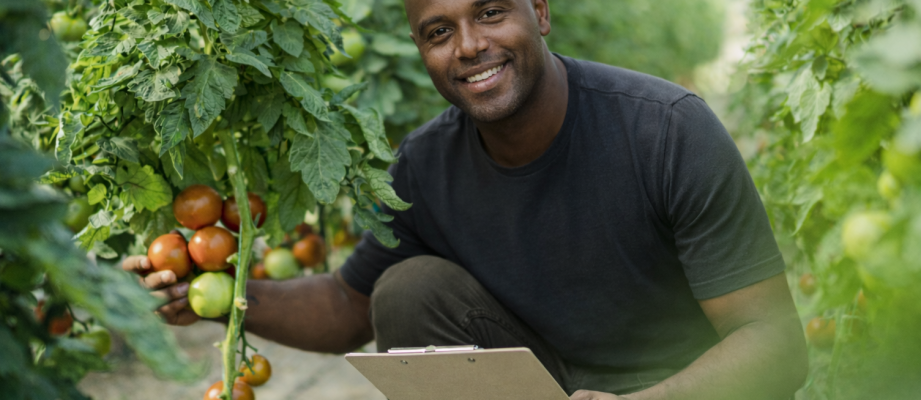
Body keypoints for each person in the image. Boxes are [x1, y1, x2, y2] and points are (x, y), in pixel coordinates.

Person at [124, 0, 808, 398]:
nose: (470, 46)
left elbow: (775, 341)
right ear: (422, 50)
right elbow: (344, 309)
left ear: (538, 11)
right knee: (408, 289)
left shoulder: (665, 130)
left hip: (672, 388)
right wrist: (206, 291)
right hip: (549, 386)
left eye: (489, 11)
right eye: (438, 31)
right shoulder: (426, 165)